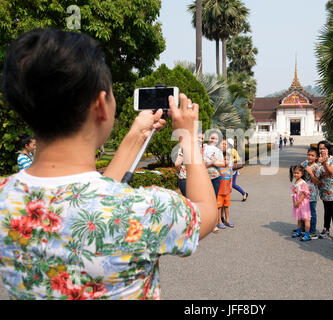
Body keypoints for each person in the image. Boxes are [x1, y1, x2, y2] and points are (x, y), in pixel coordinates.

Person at [0, 29, 217, 300]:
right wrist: (187, 136)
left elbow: (92, 193)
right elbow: (207, 212)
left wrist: (136, 136)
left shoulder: (5, 198)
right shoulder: (144, 209)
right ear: (101, 105)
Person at [294, 147, 321, 239]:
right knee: (302, 211)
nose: (310, 157)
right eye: (308, 155)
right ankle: (302, 228)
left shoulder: (317, 167)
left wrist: (311, 173)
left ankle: (312, 231)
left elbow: (317, 182)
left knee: (311, 212)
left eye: (312, 155)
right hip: (302, 192)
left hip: (311, 193)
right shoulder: (305, 163)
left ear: (316, 157)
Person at [317, 140, 333, 242]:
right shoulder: (317, 160)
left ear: (328, 149)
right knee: (327, 209)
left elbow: (331, 172)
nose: (322, 150)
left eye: (324, 148)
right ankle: (326, 228)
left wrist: (324, 163)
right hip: (323, 188)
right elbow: (316, 174)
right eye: (320, 148)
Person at [175, 132, 204, 197]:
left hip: (188, 179)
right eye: (198, 138)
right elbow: (177, 164)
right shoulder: (203, 150)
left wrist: (179, 172)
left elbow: (177, 164)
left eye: (202, 138)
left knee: (189, 203)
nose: (200, 140)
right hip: (192, 179)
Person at [290, 165, 311, 241]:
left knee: (306, 218)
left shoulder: (303, 183)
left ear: (302, 173)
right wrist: (294, 202)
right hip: (297, 202)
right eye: (294, 173)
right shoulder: (295, 182)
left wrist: (299, 202)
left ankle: (307, 234)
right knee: (299, 218)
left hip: (303, 202)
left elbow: (304, 194)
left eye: (297, 173)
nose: (295, 174)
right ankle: (298, 231)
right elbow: (293, 194)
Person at [215, 152, 234, 232]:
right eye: (224, 159)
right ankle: (219, 221)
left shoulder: (230, 169)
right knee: (219, 207)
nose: (226, 161)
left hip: (227, 192)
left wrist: (230, 186)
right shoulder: (219, 169)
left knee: (226, 206)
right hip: (219, 191)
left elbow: (230, 178)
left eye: (228, 159)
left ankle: (227, 219)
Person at [203, 130, 225, 197]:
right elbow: (203, 162)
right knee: (205, 197)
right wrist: (214, 161)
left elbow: (223, 163)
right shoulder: (203, 147)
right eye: (212, 138)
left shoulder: (218, 150)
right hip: (204, 177)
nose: (213, 140)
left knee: (214, 198)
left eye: (216, 139)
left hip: (216, 177)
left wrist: (212, 163)